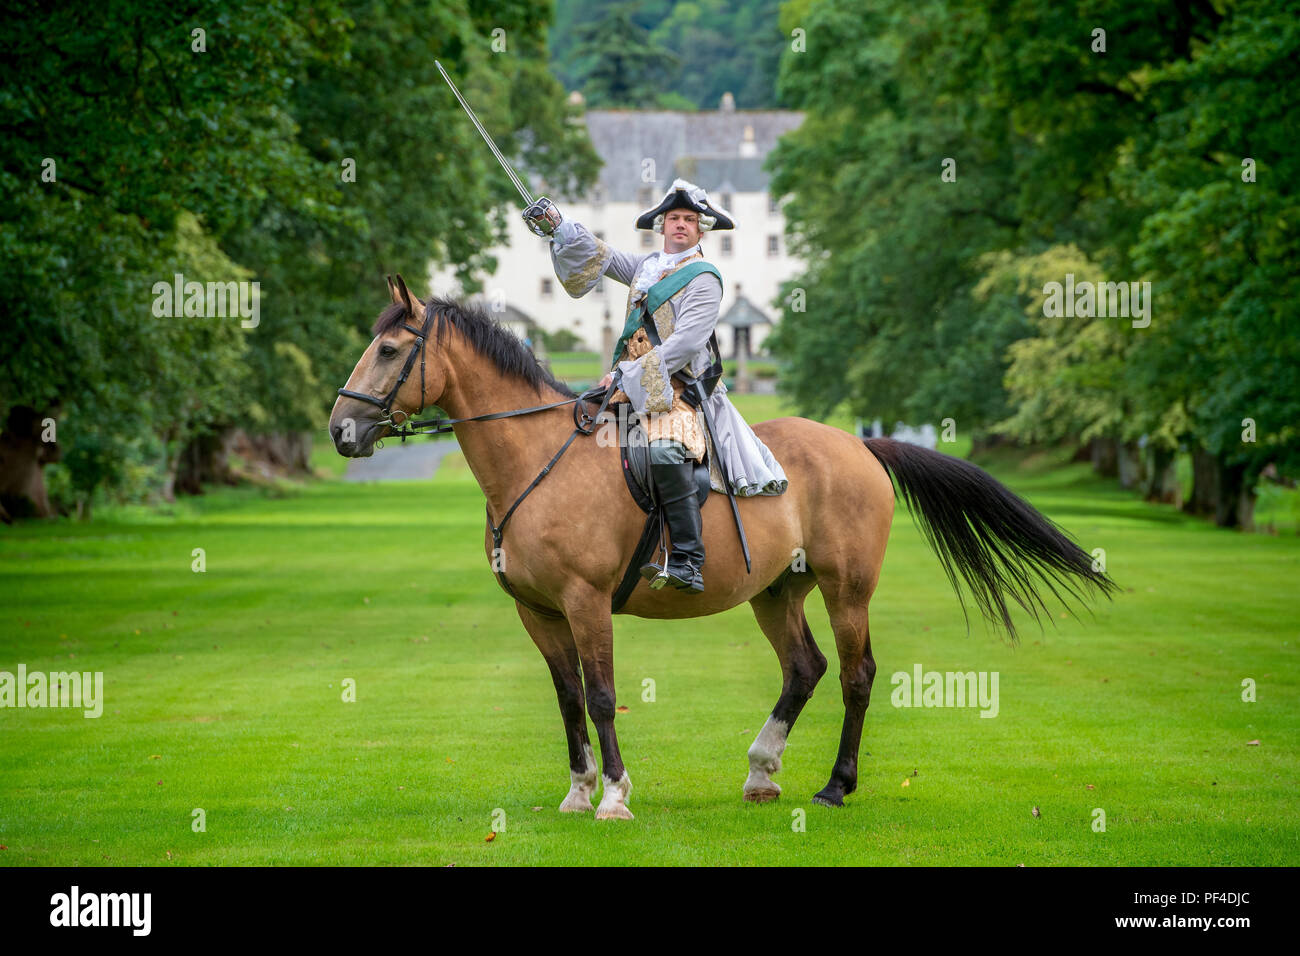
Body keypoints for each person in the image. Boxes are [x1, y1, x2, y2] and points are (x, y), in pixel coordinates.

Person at [524, 179, 787, 593]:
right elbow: (603, 257)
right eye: (673, 218)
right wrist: (559, 225)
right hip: (630, 387)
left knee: (664, 448)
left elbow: (684, 346)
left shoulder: (705, 278)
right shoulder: (647, 269)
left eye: (688, 219)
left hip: (681, 395)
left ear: (701, 230)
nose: (680, 225)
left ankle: (688, 559)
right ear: (661, 225)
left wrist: (625, 374)